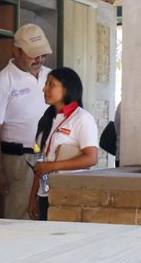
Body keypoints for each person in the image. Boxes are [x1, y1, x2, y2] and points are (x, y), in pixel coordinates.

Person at [0, 23, 53, 219]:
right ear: (16, 50)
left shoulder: (50, 76)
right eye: (34, 54)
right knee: (22, 215)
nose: (39, 59)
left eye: (42, 54)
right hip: (19, 161)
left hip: (48, 159)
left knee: (48, 214)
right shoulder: (2, 82)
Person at [27, 67, 99, 221]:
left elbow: (91, 158)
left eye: (51, 85)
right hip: (45, 193)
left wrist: (53, 166)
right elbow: (41, 163)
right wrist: (33, 197)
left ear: (67, 89)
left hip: (70, 193)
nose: (44, 89)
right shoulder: (46, 119)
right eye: (46, 84)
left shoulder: (82, 118)